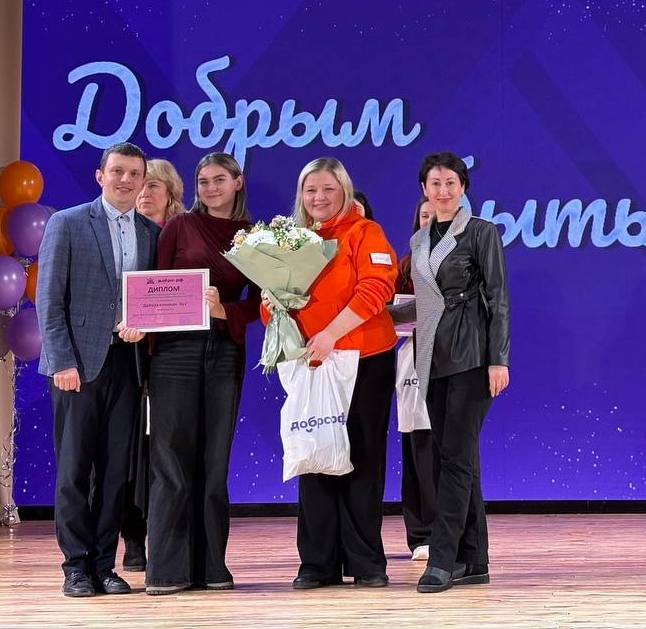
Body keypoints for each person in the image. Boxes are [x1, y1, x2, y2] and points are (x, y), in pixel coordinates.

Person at [262, 157, 397, 590]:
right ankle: (317, 563)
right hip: (312, 362)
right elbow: (275, 309)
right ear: (301, 196)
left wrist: (331, 335)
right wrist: (273, 306)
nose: (319, 198)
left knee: (361, 456)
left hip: (364, 359)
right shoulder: (291, 241)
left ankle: (366, 561)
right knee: (314, 451)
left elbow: (376, 288)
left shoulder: (365, 232)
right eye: (311, 190)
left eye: (328, 190)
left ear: (345, 192)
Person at [36, 142, 160, 598]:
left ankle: (105, 565)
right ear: (100, 176)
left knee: (114, 473)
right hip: (77, 367)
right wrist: (62, 361)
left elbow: (153, 300)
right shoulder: (67, 223)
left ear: (143, 181)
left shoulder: (151, 232)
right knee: (74, 471)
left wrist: (144, 327)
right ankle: (75, 566)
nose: (126, 180)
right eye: (118, 171)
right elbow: (49, 300)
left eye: (134, 174)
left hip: (126, 365)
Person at [144, 152, 260, 595]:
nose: (210, 188)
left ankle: (212, 565)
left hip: (224, 350)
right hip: (174, 352)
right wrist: (147, 359)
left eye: (219, 180)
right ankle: (167, 570)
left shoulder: (254, 237)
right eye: (204, 181)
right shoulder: (180, 226)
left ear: (237, 182)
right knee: (171, 459)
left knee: (214, 462)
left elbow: (261, 302)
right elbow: (153, 286)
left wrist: (224, 310)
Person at [409, 152, 510, 593]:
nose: (443, 190)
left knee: (452, 458)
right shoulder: (419, 240)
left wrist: (498, 359)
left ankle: (442, 559)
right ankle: (475, 559)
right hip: (432, 357)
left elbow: (499, 298)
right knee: (458, 458)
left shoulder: (482, 232)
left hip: (472, 355)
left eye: (451, 182)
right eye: (435, 183)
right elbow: (424, 303)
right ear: (424, 189)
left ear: (463, 187)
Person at [120, 157, 185, 573]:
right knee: (129, 453)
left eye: (154, 186)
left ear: (170, 194)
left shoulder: (180, 237)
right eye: (141, 185)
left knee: (165, 453)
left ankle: (167, 537)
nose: (144, 192)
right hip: (125, 357)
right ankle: (132, 538)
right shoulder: (123, 234)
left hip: (169, 359)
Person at [395, 197, 437, 561]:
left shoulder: (466, 260)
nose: (430, 220)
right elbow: (389, 310)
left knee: (444, 448)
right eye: (424, 215)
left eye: (436, 215)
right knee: (414, 446)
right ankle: (421, 533)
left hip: (452, 360)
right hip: (412, 360)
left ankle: (449, 531)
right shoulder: (405, 265)